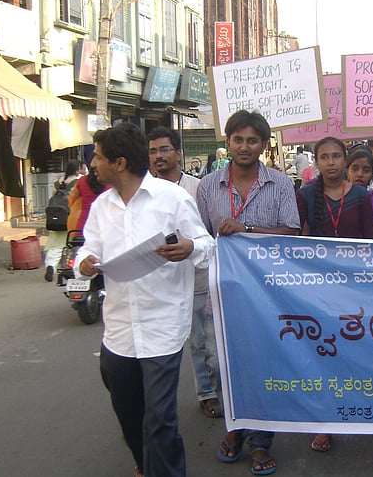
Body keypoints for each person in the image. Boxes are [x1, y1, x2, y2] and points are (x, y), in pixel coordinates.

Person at [75, 123, 215, 477]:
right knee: (128, 413)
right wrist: (86, 262)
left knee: (161, 420)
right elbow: (87, 248)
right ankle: (144, 464)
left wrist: (189, 247)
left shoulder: (173, 199)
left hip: (162, 328)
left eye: (99, 157)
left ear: (119, 163)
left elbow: (207, 246)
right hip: (119, 331)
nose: (93, 164)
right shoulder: (102, 206)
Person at [197, 110, 300, 476]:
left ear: (263, 145)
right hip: (221, 293)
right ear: (227, 142)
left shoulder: (280, 184)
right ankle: (235, 427)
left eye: (252, 140)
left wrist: (247, 228)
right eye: (238, 139)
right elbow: (198, 236)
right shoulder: (207, 186)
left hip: (266, 295)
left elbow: (292, 231)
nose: (244, 146)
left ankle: (261, 441)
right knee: (223, 366)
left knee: (263, 367)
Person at [298, 137, 373, 452]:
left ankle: (359, 410)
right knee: (323, 358)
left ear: (344, 160)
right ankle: (325, 423)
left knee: (355, 355)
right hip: (318, 292)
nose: (330, 163)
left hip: (355, 290)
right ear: (315, 162)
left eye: (336, 157)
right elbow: (297, 245)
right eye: (324, 157)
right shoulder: (304, 195)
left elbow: (372, 245)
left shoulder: (360, 196)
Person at [147, 126, 223, 421]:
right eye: (153, 151)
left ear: (179, 154)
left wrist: (193, 247)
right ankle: (205, 393)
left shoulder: (198, 187)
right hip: (163, 282)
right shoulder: (145, 192)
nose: (158, 156)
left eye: (164, 149)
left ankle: (218, 389)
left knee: (211, 344)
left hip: (201, 278)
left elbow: (210, 232)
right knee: (188, 344)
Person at [43, 159, 83, 282]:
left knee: (55, 246)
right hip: (72, 218)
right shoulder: (79, 181)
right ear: (77, 169)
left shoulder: (58, 182)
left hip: (57, 218)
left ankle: (51, 266)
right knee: (73, 245)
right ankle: (73, 268)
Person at [68, 167, 108, 232]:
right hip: (105, 226)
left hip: (82, 226)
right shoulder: (112, 184)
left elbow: (71, 201)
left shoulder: (82, 181)